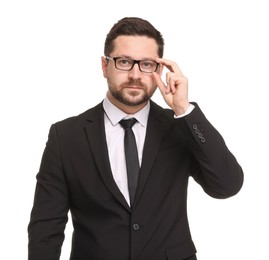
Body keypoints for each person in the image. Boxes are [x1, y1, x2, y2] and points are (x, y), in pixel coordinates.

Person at [28, 17, 244, 260]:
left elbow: (227, 185)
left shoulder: (179, 127)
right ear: (104, 66)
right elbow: (46, 227)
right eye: (124, 62)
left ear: (159, 70)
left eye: (147, 64)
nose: (135, 74)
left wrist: (184, 110)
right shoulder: (66, 136)